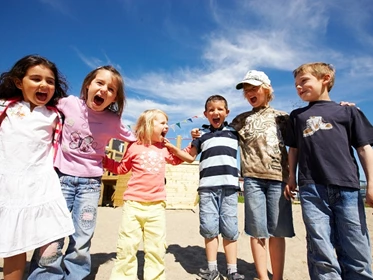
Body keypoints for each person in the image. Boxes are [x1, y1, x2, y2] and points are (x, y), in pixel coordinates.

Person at [28, 66, 137, 280]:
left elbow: (134, 141)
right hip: (60, 179)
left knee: (82, 234)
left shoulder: (112, 121)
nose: (104, 90)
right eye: (99, 83)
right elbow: (41, 103)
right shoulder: (68, 103)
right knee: (52, 232)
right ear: (88, 85)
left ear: (115, 98)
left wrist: (118, 164)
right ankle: (45, 275)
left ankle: (75, 275)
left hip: (90, 184)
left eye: (111, 89)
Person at [284, 62, 373, 280]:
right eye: (296, 84)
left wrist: (371, 182)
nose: (298, 87)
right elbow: (293, 149)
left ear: (325, 78)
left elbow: (364, 148)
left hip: (348, 189)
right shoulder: (297, 116)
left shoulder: (348, 111)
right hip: (311, 189)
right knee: (320, 249)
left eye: (304, 81)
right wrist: (290, 177)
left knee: (356, 248)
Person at [0, 54, 75, 280]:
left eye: (50, 81)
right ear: (18, 82)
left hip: (43, 186)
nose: (43, 85)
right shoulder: (5, 108)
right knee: (14, 245)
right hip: (9, 185)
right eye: (35, 79)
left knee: (50, 245)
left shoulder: (55, 115)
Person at [102, 108, 189, 280]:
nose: (167, 126)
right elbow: (121, 168)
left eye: (167, 123)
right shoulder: (133, 147)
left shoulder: (164, 148)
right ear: (149, 125)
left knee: (156, 248)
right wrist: (104, 159)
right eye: (162, 123)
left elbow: (179, 159)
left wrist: (194, 143)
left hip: (156, 206)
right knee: (127, 246)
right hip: (133, 204)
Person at [229, 70, 295, 280]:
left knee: (277, 231)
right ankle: (262, 277)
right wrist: (198, 135)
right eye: (246, 90)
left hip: (279, 179)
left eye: (254, 88)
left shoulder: (283, 117)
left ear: (267, 90)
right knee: (257, 232)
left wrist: (292, 176)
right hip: (252, 180)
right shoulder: (240, 120)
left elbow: (297, 145)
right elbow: (220, 133)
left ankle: (277, 277)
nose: (250, 93)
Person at [172, 95, 245, 280]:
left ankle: (232, 270)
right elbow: (190, 157)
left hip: (229, 187)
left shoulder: (234, 132)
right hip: (207, 188)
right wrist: (172, 148)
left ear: (227, 112)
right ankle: (212, 269)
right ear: (205, 114)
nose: (216, 112)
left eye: (220, 109)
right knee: (209, 228)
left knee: (229, 229)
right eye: (211, 110)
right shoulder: (202, 134)